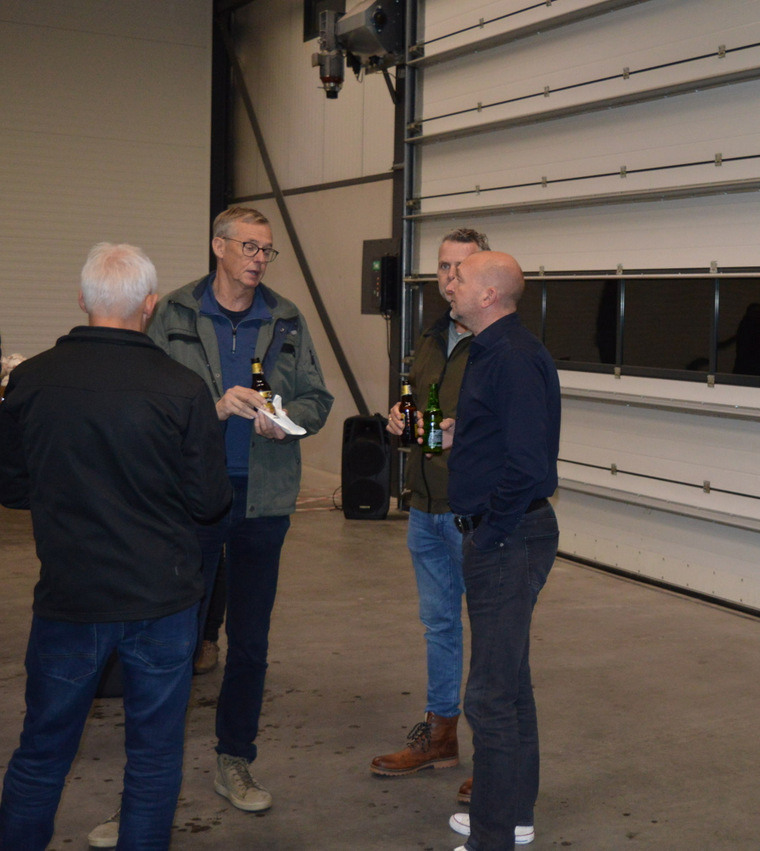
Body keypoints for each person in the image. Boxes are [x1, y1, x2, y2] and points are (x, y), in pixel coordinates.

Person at [0, 243, 232, 850]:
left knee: (42, 752)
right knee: (153, 758)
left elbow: (11, 485)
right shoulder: (182, 388)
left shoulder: (30, 379)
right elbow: (210, 502)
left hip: (69, 599)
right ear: (150, 306)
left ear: (82, 299)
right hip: (161, 601)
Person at [145, 206, 333, 813]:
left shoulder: (286, 318)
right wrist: (215, 409)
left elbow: (318, 398)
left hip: (263, 499)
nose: (259, 259)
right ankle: (152, 774)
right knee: (174, 640)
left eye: (266, 250)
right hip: (189, 499)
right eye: (249, 246)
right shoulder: (174, 314)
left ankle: (235, 759)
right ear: (218, 247)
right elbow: (146, 405)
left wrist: (287, 420)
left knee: (250, 642)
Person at [435, 251, 560, 851]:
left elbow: (528, 464)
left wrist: (490, 533)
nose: (449, 283)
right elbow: (505, 436)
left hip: (507, 538)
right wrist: (463, 433)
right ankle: (513, 816)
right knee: (510, 684)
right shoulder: (488, 350)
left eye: (459, 276)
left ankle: (492, 838)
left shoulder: (511, 356)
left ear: (488, 295)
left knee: (488, 696)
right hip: (501, 534)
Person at [370, 228, 488, 787]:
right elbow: (419, 402)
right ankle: (440, 736)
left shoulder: (498, 343)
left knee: (491, 631)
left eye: (462, 267)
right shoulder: (431, 335)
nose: (450, 278)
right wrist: (401, 416)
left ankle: (496, 757)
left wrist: (471, 433)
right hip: (424, 506)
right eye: (443, 266)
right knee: (439, 625)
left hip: (475, 511)